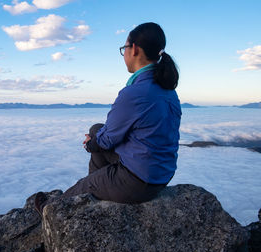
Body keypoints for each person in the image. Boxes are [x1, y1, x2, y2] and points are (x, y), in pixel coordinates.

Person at [35, 22, 181, 214]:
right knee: (97, 128)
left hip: (140, 181)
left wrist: (90, 145)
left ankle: (52, 209)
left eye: (125, 48)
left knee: (87, 173)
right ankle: (97, 191)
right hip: (160, 172)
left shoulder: (135, 93)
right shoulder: (166, 89)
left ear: (134, 49)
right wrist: (97, 139)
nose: (124, 54)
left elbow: (108, 139)